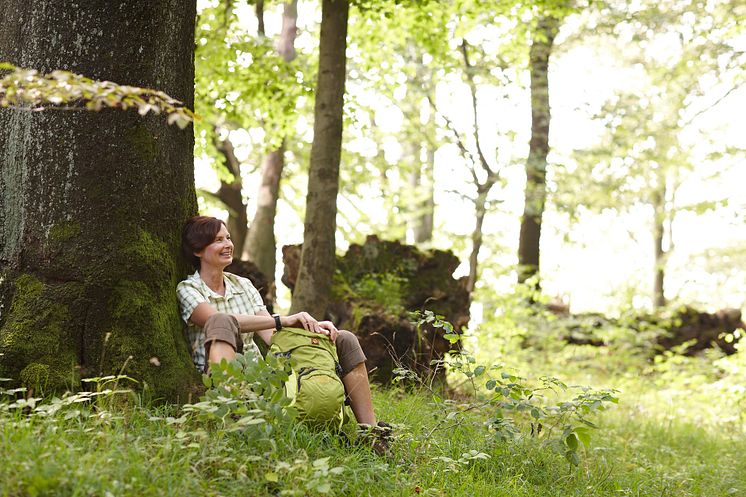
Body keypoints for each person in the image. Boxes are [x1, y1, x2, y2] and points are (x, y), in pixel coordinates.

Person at [176, 215, 389, 446]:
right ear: (198, 250)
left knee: (344, 338)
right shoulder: (188, 289)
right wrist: (283, 320)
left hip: (260, 377)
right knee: (221, 321)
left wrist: (314, 330)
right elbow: (218, 320)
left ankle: (371, 434)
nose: (228, 244)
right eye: (218, 240)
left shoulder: (243, 285)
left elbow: (272, 335)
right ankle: (234, 418)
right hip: (219, 378)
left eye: (228, 237)